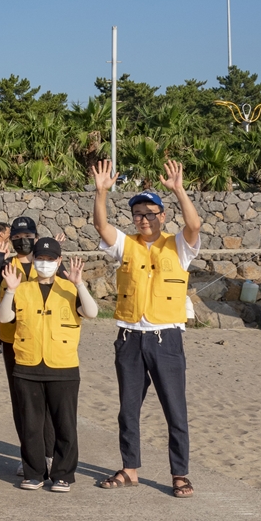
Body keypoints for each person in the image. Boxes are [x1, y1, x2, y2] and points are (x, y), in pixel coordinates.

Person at [92, 158, 201, 499]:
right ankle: (130, 469)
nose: (143, 219)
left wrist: (179, 190)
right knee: (128, 408)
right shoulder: (126, 245)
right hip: (129, 337)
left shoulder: (179, 245)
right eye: (138, 213)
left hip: (165, 337)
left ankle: (180, 474)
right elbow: (101, 227)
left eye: (150, 213)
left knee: (175, 408)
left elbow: (195, 225)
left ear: (163, 216)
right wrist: (101, 192)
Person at [0, 240, 98, 492]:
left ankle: (63, 474)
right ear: (33, 259)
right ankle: (34, 473)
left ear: (58, 260)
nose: (44, 263)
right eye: (39, 258)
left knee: (65, 424)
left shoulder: (69, 288)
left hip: (63, 365)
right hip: (27, 364)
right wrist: (10, 290)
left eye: (50, 259)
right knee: (30, 423)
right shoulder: (22, 288)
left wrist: (79, 284)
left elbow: (92, 312)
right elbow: (4, 318)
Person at [0, 216, 57, 477]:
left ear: (36, 237)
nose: (22, 241)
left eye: (27, 237)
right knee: (22, 402)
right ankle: (29, 454)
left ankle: (49, 455)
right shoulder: (6, 264)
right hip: (11, 342)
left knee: (48, 402)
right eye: (16, 238)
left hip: (43, 342)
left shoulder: (47, 264)